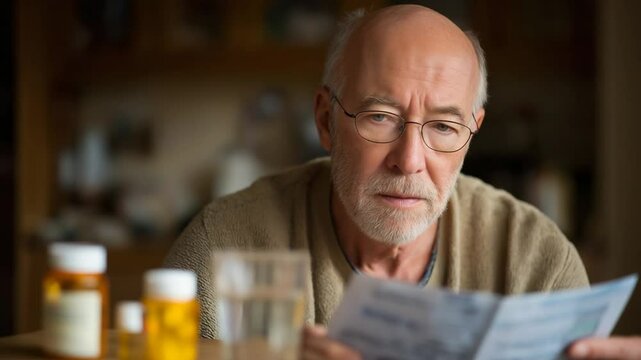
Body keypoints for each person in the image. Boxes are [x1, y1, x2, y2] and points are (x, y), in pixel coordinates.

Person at [165, 4, 591, 359]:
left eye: (443, 126)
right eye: (380, 118)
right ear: (325, 120)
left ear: (471, 133)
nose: (409, 161)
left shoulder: (537, 265)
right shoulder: (221, 248)